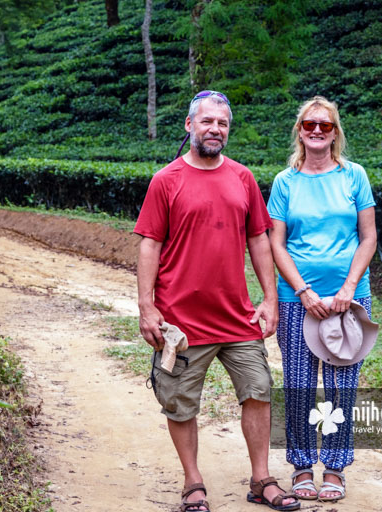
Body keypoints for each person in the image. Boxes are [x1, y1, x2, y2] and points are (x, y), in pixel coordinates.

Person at [135, 90, 300, 512]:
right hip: (182, 322)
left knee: (259, 390)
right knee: (180, 401)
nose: (215, 129)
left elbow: (258, 240)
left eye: (222, 123)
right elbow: (149, 246)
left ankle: (261, 479)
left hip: (236, 316)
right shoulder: (165, 180)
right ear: (190, 125)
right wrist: (147, 306)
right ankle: (193, 484)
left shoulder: (242, 178)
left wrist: (269, 299)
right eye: (207, 121)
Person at [267, 96, 377, 502]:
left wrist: (348, 288)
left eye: (325, 125)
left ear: (335, 132)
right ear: (300, 130)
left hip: (350, 300)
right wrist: (303, 291)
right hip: (297, 301)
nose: (316, 130)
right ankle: (300, 466)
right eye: (309, 124)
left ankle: (334, 467)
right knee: (298, 384)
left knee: (341, 387)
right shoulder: (285, 182)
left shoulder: (354, 176)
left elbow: (368, 237)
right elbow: (276, 243)